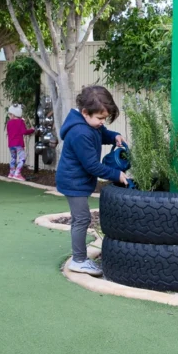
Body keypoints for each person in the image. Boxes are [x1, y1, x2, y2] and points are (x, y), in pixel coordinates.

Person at [56, 85, 127, 276]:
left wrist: (114, 136)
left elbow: (101, 133)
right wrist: (116, 174)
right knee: (81, 218)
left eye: (105, 119)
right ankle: (78, 260)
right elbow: (92, 166)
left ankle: (80, 259)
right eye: (100, 118)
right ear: (85, 112)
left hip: (78, 180)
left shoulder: (89, 124)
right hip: (73, 182)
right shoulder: (80, 133)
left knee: (81, 218)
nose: (102, 122)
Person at [5, 104, 36, 181]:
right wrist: (32, 130)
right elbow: (24, 132)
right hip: (18, 144)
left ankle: (11, 173)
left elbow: (10, 132)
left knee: (13, 158)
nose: (9, 115)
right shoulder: (20, 122)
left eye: (10, 114)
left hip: (11, 144)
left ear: (13, 114)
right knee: (22, 158)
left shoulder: (8, 123)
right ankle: (17, 173)